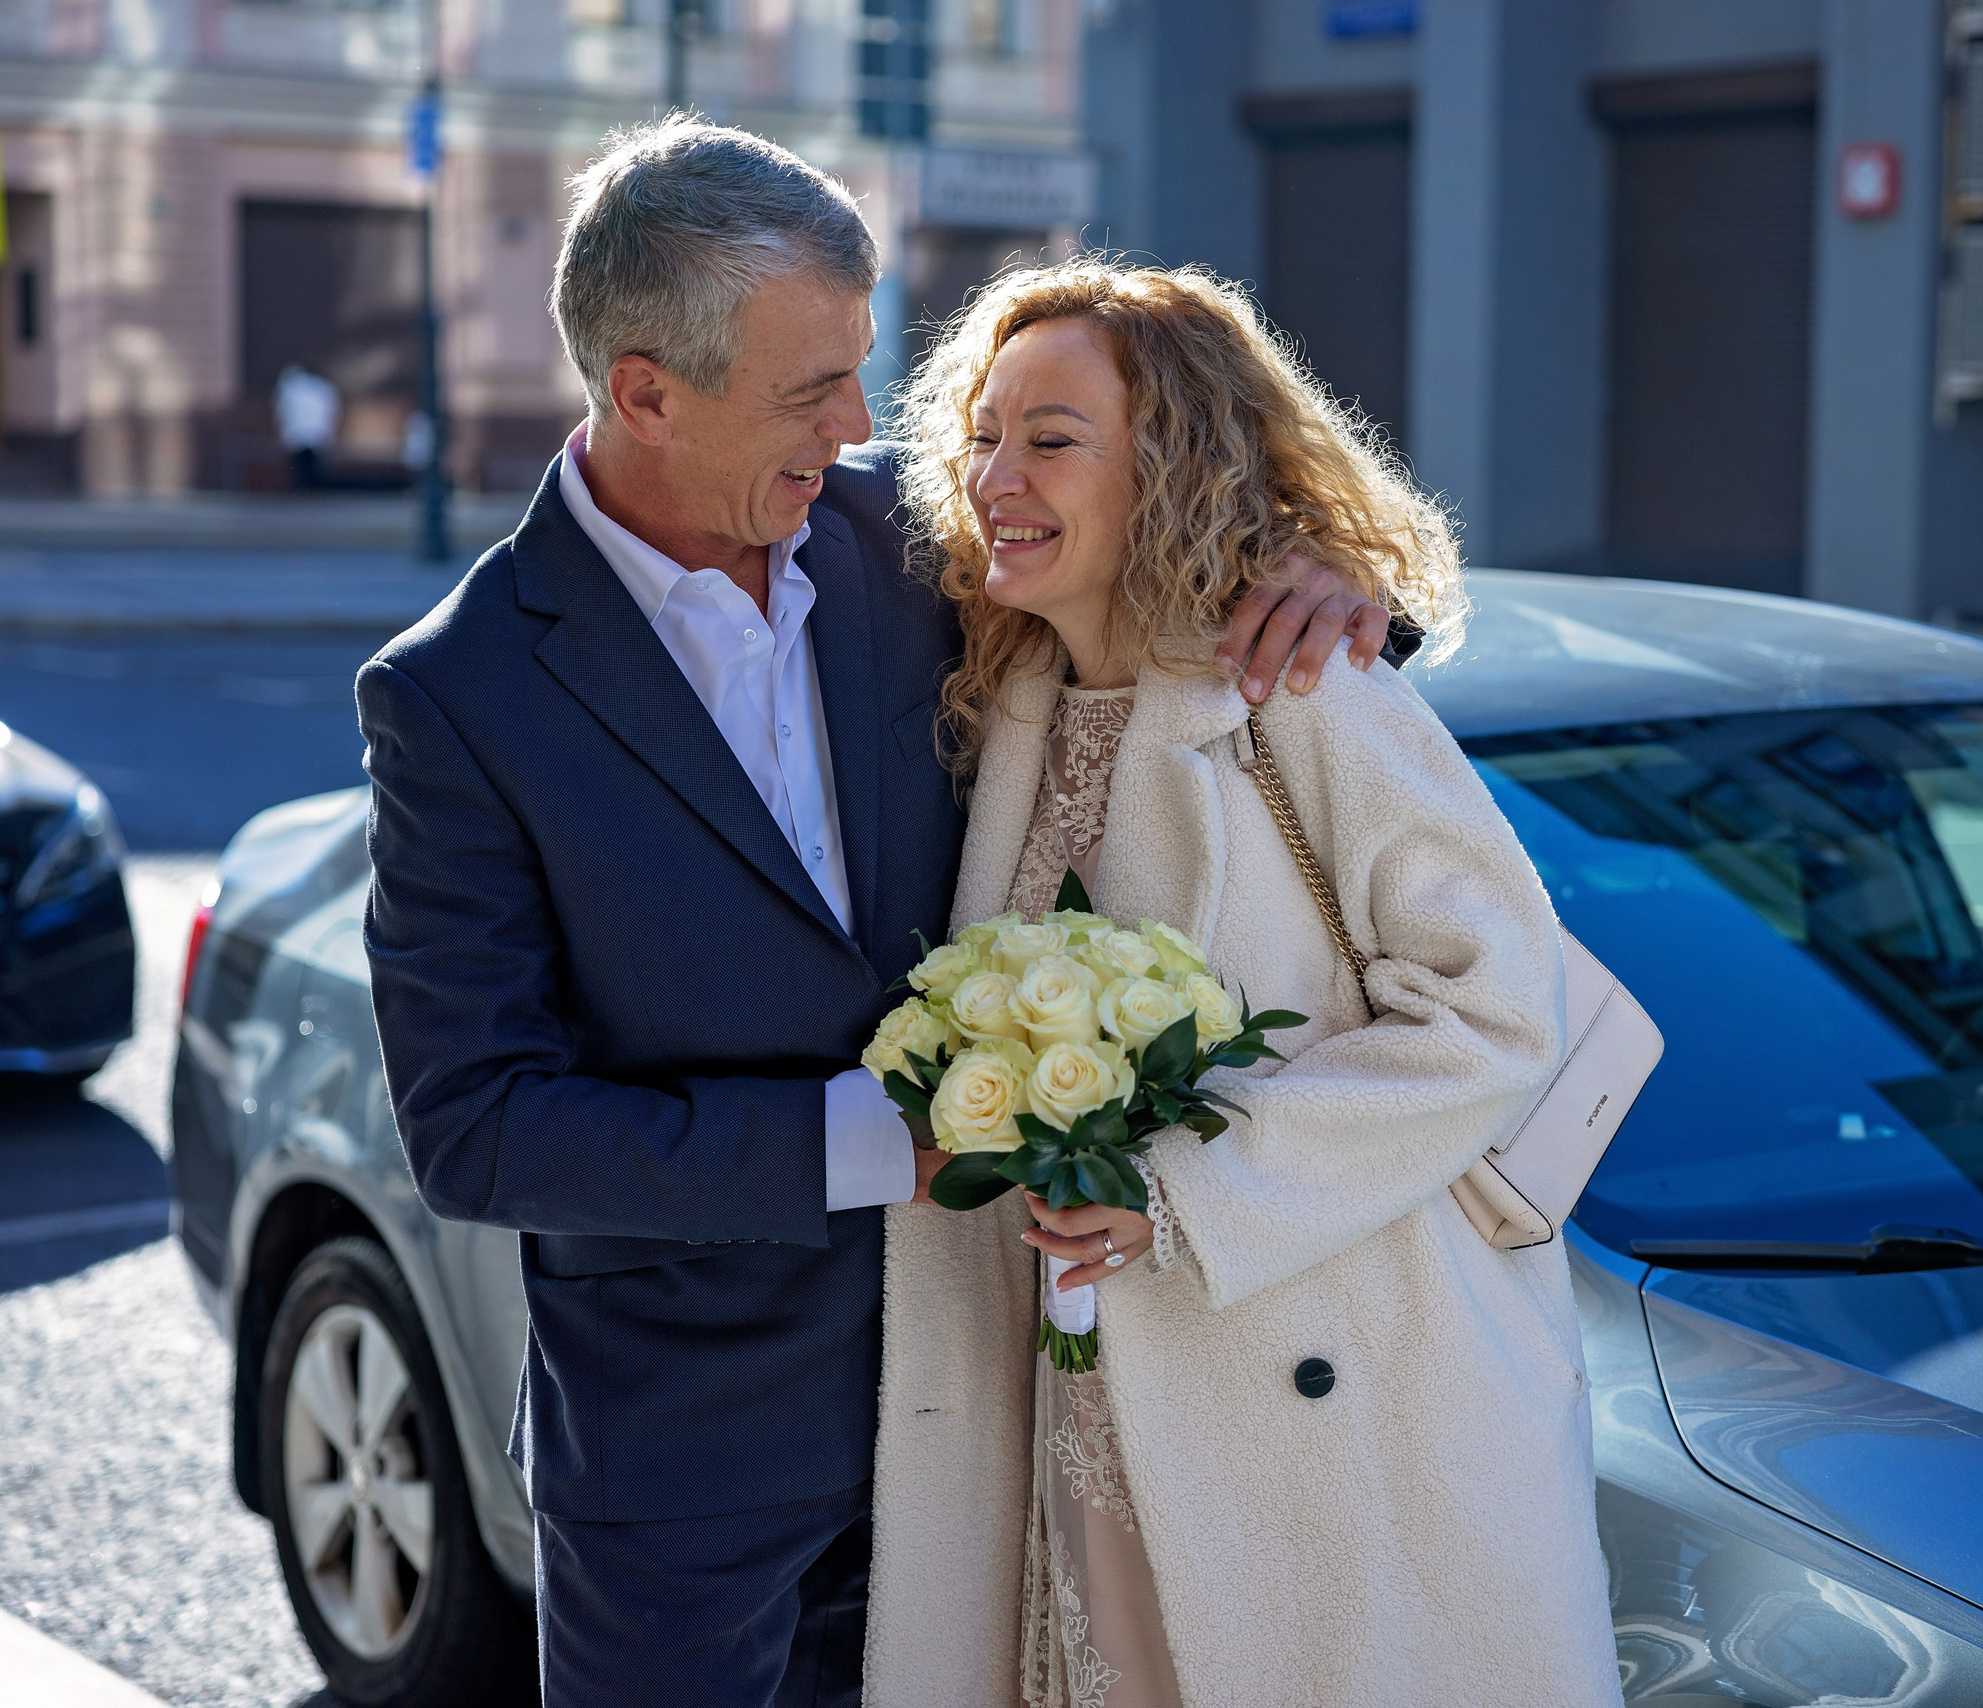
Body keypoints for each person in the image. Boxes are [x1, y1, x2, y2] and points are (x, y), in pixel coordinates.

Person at [355, 120, 1391, 1708]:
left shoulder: (920, 544)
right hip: (682, 1467)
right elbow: (481, 1129)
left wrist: (1333, 582)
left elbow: (1174, 576)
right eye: (806, 392)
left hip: (989, 1403)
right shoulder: (459, 693)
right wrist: (883, 1143)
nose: (861, 424)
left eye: (858, 372)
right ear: (644, 389)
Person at [863, 261, 1620, 1707]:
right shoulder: (1007, 691)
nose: (991, 474)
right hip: (1082, 1397)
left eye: (1053, 438)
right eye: (979, 432)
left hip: (1311, 1411)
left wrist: (1180, 1190)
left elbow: (1497, 1006)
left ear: (1175, 464)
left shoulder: (1305, 686)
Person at [275, 362, 339, 489]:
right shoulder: (320, 387)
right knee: (309, 463)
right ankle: (309, 488)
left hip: (301, 432)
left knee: (303, 464)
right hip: (313, 432)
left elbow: (284, 411)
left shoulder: (292, 389)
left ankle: (305, 488)